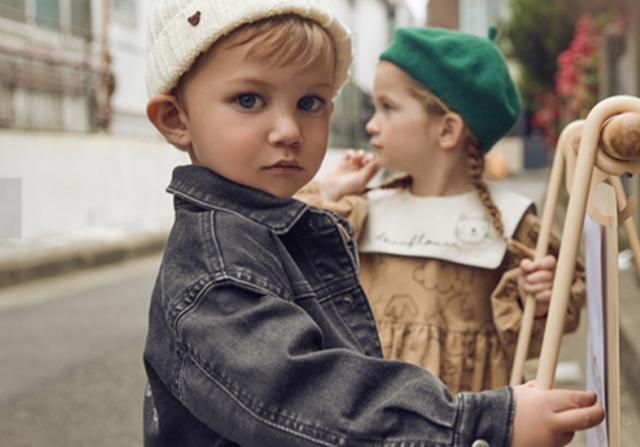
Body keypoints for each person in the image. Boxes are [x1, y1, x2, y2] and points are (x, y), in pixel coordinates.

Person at [142, 1, 602, 445]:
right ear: (175, 118)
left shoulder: (510, 221)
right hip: (414, 422)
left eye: (310, 102)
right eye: (249, 99)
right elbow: (303, 394)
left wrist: (536, 299)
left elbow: (544, 322)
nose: (289, 130)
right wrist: (477, 423)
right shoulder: (222, 262)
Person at [297, 26, 586, 394]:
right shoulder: (361, 212)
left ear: (448, 129)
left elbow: (539, 338)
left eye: (387, 107)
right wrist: (328, 190)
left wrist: (541, 297)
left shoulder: (514, 230)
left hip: (470, 419)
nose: (371, 125)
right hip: (374, 412)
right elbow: (275, 240)